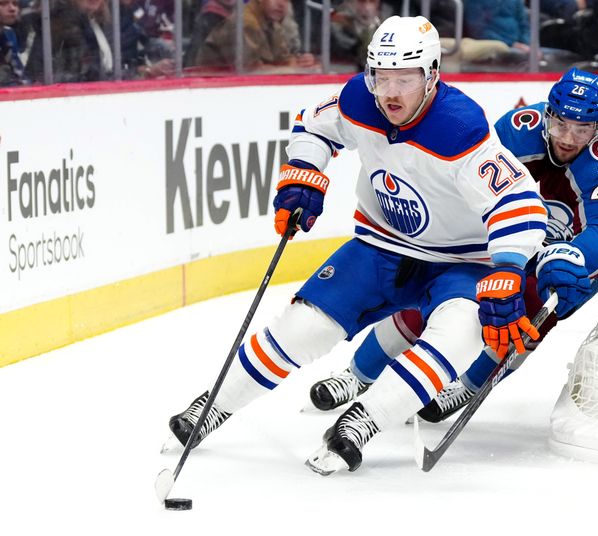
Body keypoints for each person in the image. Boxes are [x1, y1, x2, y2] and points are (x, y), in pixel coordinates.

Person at [167, 16, 548, 475]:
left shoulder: (459, 127)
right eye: (381, 77)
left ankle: (362, 423)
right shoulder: (356, 99)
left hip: (462, 260)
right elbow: (313, 127)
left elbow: (519, 200)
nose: (390, 92)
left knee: (458, 335)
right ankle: (212, 406)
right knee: (303, 327)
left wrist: (507, 266)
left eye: (404, 79)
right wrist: (304, 174)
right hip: (382, 244)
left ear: (431, 76)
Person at [309, 68, 598, 424]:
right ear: (548, 115)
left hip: (568, 257)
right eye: (561, 125)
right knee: (438, 293)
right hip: (505, 238)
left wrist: (574, 256)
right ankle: (358, 375)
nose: (569, 139)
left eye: (583, 129)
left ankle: (466, 385)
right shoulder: (518, 129)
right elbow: (470, 188)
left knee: (526, 318)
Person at [195, 0, 316, 72]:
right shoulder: (244, 23)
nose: (281, 4)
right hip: (210, 90)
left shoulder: (272, 23)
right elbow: (251, 70)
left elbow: (282, 58)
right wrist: (291, 68)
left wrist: (301, 62)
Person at [0, 0, 26, 85]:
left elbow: (19, 74)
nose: (12, 9)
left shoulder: (9, 33)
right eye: (3, 3)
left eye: (15, 4)